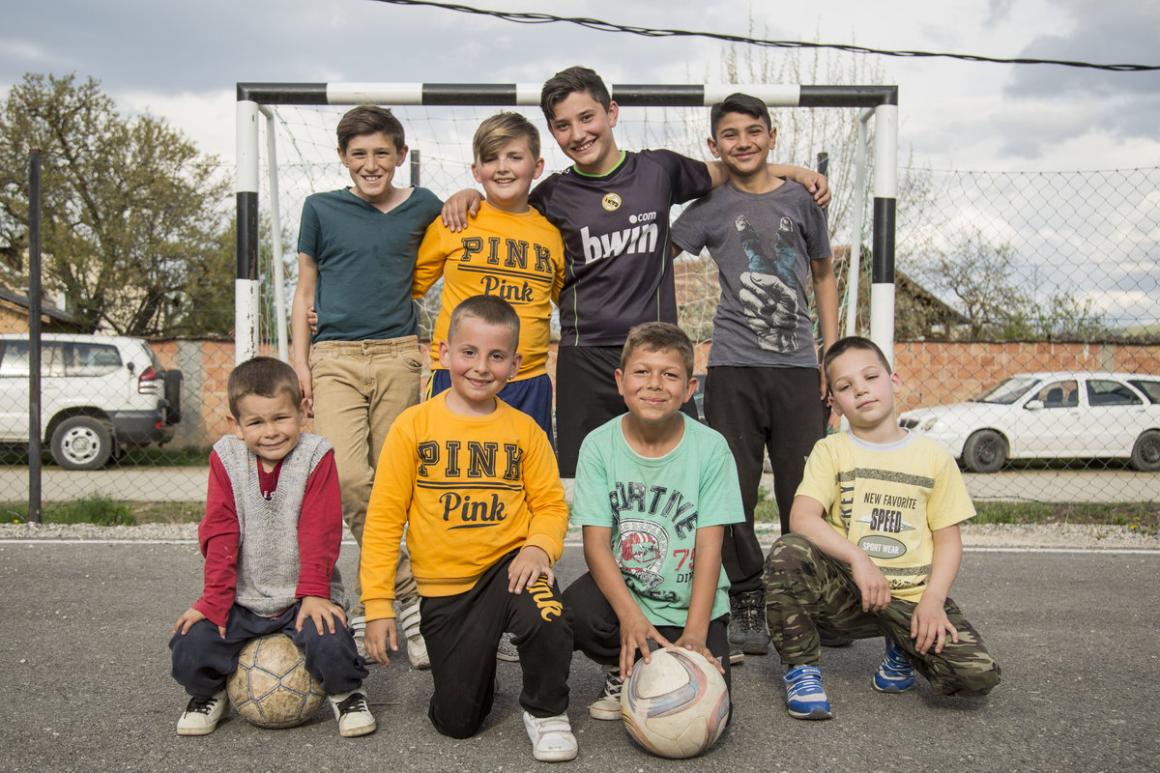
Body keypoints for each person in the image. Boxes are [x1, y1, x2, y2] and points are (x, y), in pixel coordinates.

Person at [442, 66, 831, 477]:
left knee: (676, 474)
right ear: (553, 132)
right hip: (585, 355)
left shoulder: (658, 170)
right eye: (563, 125)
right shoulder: (553, 194)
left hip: (654, 350)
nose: (578, 133)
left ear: (611, 112)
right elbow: (508, 206)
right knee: (581, 479)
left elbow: (734, 169)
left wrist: (792, 172)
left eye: (587, 117)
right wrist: (470, 193)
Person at [360, 295, 577, 762]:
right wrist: (378, 604)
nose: (481, 367)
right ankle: (477, 674)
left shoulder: (526, 431)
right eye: (469, 352)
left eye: (496, 356)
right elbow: (383, 521)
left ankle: (546, 712)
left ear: (515, 365)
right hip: (447, 588)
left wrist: (539, 548)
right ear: (443, 352)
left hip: (510, 567)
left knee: (548, 618)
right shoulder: (413, 426)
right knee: (457, 722)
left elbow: (550, 505)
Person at [671, 92, 839, 662]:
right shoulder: (711, 206)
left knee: (804, 489)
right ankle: (745, 594)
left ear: (772, 134)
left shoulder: (801, 199)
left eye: (753, 131)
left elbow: (823, 274)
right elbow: (657, 253)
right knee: (733, 490)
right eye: (730, 134)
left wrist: (830, 351)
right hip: (733, 367)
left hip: (797, 369)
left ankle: (802, 594)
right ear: (713, 144)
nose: (743, 142)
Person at [763, 337, 1001, 721]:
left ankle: (902, 649)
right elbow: (802, 518)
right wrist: (858, 558)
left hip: (910, 598)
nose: (860, 389)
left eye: (870, 377)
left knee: (976, 675)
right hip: (846, 594)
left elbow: (948, 541)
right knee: (789, 551)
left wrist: (933, 599)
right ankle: (801, 668)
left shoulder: (933, 457)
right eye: (846, 386)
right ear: (835, 403)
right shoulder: (831, 451)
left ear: (894, 381)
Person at [291, 105, 441, 667]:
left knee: (397, 485)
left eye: (382, 153)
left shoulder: (424, 205)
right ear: (342, 157)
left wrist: (464, 198)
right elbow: (305, 290)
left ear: (401, 155)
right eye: (359, 154)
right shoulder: (320, 208)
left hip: (398, 353)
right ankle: (406, 595)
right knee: (350, 478)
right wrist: (299, 362)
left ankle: (372, 603)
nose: (371, 164)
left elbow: (462, 233)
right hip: (334, 357)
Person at [168, 357, 375, 738]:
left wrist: (315, 593)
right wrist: (214, 600)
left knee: (331, 641)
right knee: (190, 643)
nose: (271, 432)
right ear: (235, 424)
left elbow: (320, 531)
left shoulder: (317, 455)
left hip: (302, 595)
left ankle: (347, 693)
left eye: (281, 418)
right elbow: (220, 531)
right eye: (256, 422)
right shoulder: (226, 458)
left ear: (303, 410)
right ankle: (209, 693)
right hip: (242, 597)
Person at [563, 322, 744, 721]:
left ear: (690, 388)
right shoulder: (598, 445)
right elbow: (596, 544)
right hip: (630, 594)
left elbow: (709, 546)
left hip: (690, 605)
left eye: (670, 375)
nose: (654, 384)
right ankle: (626, 666)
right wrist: (630, 617)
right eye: (642, 371)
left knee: (705, 714)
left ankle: (651, 664)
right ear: (620, 381)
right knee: (570, 612)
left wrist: (696, 634)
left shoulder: (711, 449)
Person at [413, 112, 565, 440]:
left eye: (515, 157)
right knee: (448, 465)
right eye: (491, 158)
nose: (502, 167)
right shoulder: (455, 221)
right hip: (457, 375)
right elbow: (408, 286)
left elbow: (570, 301)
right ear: (476, 170)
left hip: (527, 380)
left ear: (537, 166)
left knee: (524, 468)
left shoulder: (551, 235)